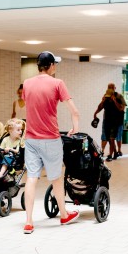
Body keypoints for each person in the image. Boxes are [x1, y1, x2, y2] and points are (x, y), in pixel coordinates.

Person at [22, 51, 80, 234]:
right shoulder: (57, 83)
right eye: (55, 64)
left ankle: (29, 222)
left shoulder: (27, 83)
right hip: (50, 138)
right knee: (56, 177)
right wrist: (75, 127)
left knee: (31, 178)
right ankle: (64, 215)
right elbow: (74, 111)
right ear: (51, 66)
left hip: (31, 138)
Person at [93, 83, 126, 161]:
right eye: (109, 87)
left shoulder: (119, 96)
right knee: (108, 138)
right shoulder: (106, 96)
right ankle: (114, 153)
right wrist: (102, 102)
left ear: (115, 88)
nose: (110, 88)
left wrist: (114, 100)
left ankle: (112, 154)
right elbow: (101, 107)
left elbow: (121, 109)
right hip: (107, 120)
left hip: (116, 121)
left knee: (113, 138)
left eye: (112, 87)